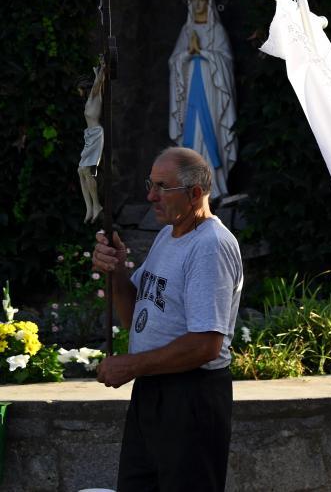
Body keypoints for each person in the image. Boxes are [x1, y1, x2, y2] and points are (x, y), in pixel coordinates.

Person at [91, 146, 243, 492]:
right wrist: (115, 271)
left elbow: (206, 344)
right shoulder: (168, 235)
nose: (150, 196)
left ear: (194, 194)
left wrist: (130, 366)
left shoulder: (211, 246)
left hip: (191, 397)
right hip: (154, 389)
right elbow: (137, 319)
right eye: (151, 184)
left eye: (162, 187)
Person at [168, 0, 237, 200]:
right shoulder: (186, 31)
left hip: (212, 92)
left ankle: (215, 186)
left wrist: (203, 52)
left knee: (212, 132)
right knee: (191, 131)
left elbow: (226, 61)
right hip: (190, 92)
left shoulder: (216, 30)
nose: (197, 4)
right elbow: (174, 61)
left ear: (209, 3)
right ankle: (189, 184)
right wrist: (188, 54)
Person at [78, 62, 106, 223]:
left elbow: (98, 84)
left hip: (96, 134)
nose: (78, 92)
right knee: (80, 170)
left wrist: (101, 69)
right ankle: (89, 207)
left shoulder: (95, 96)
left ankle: (97, 205)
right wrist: (97, 73)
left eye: (80, 89)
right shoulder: (90, 99)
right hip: (89, 135)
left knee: (87, 171)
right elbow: (98, 81)